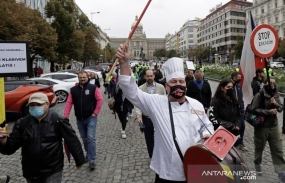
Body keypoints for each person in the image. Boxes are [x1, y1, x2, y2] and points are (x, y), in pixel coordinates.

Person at [116, 45, 213, 182]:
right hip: (167, 172)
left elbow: (206, 125)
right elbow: (131, 91)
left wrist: (206, 134)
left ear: (186, 84)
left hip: (194, 169)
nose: (178, 85)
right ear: (166, 86)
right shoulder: (156, 103)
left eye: (181, 81)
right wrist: (125, 63)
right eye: (173, 82)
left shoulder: (196, 104)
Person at [0, 93, 85, 183]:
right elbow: (10, 148)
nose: (35, 107)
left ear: (47, 104)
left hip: (53, 170)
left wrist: (79, 160)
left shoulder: (57, 120)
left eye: (39, 105)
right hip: (31, 172)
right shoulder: (22, 123)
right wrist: (3, 140)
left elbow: (72, 140)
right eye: (32, 105)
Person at [64, 71, 103, 170]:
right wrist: (66, 115)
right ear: (78, 78)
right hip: (79, 119)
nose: (82, 79)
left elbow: (100, 100)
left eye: (84, 77)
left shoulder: (93, 88)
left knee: (90, 138)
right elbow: (69, 103)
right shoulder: (73, 90)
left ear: (87, 77)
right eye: (80, 77)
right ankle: (88, 153)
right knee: (84, 139)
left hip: (91, 118)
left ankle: (92, 160)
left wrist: (95, 112)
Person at [251, 77, 285, 182]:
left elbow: (280, 108)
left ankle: (281, 173)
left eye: (274, 83)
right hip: (262, 127)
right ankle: (257, 163)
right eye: (270, 83)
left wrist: (275, 103)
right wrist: (268, 111)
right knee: (259, 147)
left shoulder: (275, 94)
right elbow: (254, 109)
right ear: (265, 84)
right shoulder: (259, 95)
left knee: (278, 149)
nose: (273, 85)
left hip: (274, 126)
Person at [134, 69, 166, 158]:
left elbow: (165, 101)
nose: (149, 78)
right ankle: (152, 156)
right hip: (147, 117)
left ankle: (161, 154)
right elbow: (137, 104)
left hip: (159, 117)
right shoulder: (140, 89)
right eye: (148, 76)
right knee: (149, 138)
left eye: (151, 76)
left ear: (154, 76)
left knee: (161, 137)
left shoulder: (161, 87)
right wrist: (139, 116)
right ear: (145, 77)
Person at [231, 72, 248, 151]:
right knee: (233, 127)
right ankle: (232, 143)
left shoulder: (238, 86)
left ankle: (240, 142)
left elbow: (241, 98)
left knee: (242, 126)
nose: (240, 79)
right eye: (238, 77)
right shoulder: (230, 86)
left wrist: (242, 107)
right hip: (232, 111)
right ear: (234, 77)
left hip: (240, 110)